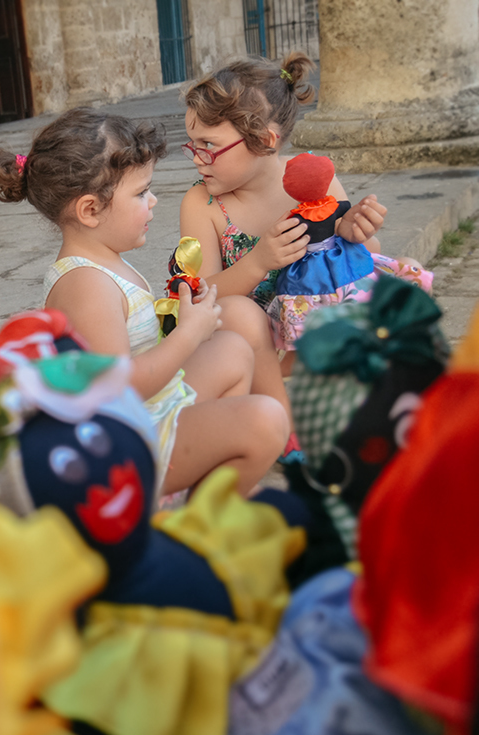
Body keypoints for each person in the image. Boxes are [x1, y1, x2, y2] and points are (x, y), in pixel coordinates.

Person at [0, 108, 288, 496]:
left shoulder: (105, 260)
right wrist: (188, 335)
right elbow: (120, 390)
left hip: (150, 410)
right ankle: (193, 513)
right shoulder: (86, 284)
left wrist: (187, 321)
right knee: (265, 421)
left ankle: (205, 474)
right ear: (90, 210)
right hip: (126, 448)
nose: (154, 201)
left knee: (232, 347)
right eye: (141, 192)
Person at [179, 53, 432, 461]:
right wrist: (258, 261)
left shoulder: (317, 176)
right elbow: (202, 294)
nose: (196, 157)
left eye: (209, 145)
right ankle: (283, 422)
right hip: (246, 333)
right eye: (193, 144)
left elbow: (361, 261)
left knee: (402, 283)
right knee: (241, 313)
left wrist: (355, 233)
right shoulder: (203, 203)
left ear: (264, 140)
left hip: (307, 321)